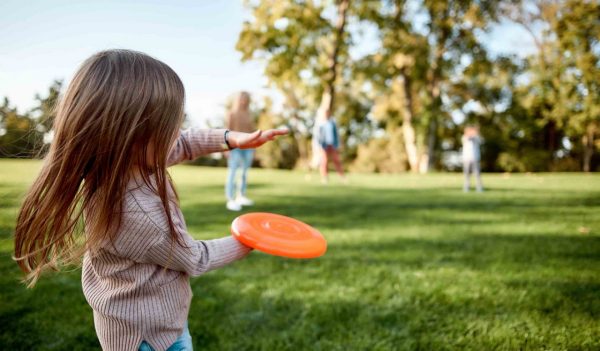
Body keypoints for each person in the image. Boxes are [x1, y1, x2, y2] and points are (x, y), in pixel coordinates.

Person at [13, 49, 287, 351]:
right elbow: (195, 258)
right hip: (149, 337)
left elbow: (184, 143)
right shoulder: (136, 214)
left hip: (143, 323)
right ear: (134, 135)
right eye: (168, 127)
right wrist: (250, 238)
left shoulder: (121, 162)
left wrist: (230, 138)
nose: (176, 134)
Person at [225, 91, 256, 211]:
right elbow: (226, 131)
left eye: (246, 98)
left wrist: (254, 148)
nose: (244, 101)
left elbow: (252, 131)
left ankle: (241, 196)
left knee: (244, 173)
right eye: (242, 98)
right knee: (232, 173)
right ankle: (230, 199)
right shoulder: (231, 113)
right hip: (234, 147)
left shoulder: (249, 114)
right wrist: (226, 148)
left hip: (248, 147)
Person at [314, 107, 345, 183]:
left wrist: (338, 144)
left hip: (332, 144)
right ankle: (325, 177)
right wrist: (318, 145)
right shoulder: (320, 123)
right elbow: (318, 136)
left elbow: (336, 134)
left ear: (329, 114)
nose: (326, 114)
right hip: (324, 145)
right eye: (325, 113)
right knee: (324, 161)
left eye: (327, 113)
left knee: (336, 160)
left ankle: (342, 176)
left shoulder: (332, 123)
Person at [462, 125, 484, 192]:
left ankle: (479, 187)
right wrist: (470, 134)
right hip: (466, 158)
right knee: (466, 174)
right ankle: (466, 187)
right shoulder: (464, 137)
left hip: (475, 158)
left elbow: (481, 141)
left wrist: (476, 134)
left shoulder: (477, 137)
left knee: (477, 174)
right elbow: (467, 138)